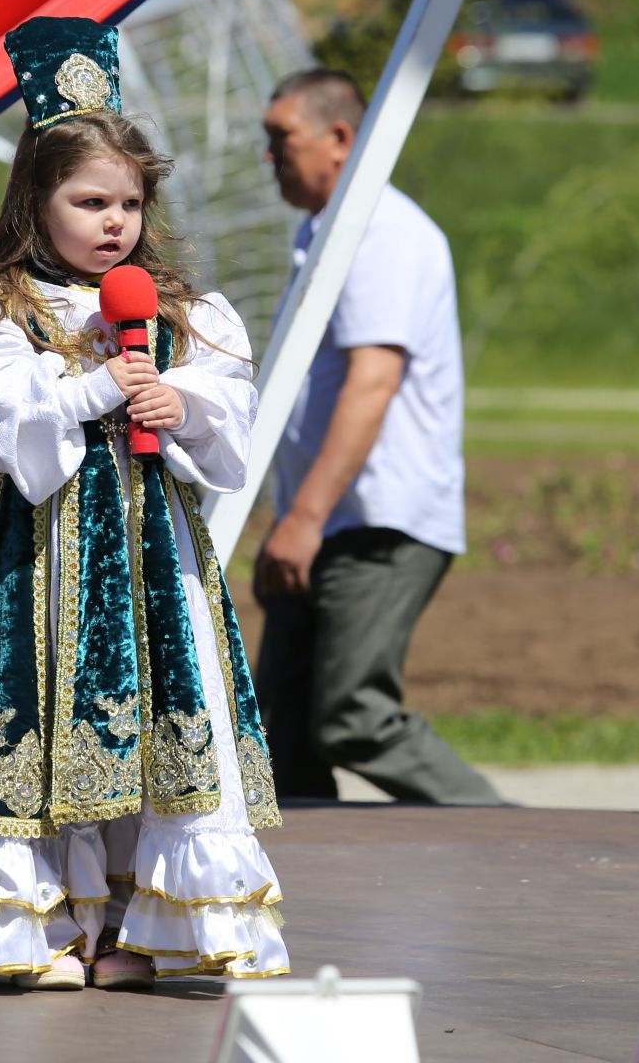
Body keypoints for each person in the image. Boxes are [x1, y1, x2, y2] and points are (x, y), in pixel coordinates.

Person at [0, 16, 286, 991]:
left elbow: (232, 435)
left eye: (130, 202)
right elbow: (6, 426)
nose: (115, 222)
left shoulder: (182, 311)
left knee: (158, 717)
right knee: (50, 717)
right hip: (46, 555)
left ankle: (141, 932)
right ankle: (43, 923)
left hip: (155, 556)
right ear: (37, 197)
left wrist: (176, 398)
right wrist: (103, 385)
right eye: (90, 199)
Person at [253, 68, 504, 807]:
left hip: (377, 521)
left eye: (280, 139)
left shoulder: (383, 234)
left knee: (353, 716)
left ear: (340, 138)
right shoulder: (324, 231)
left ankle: (510, 834)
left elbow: (373, 383)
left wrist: (303, 517)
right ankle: (312, 883)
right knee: (278, 734)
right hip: (329, 518)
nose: (269, 157)